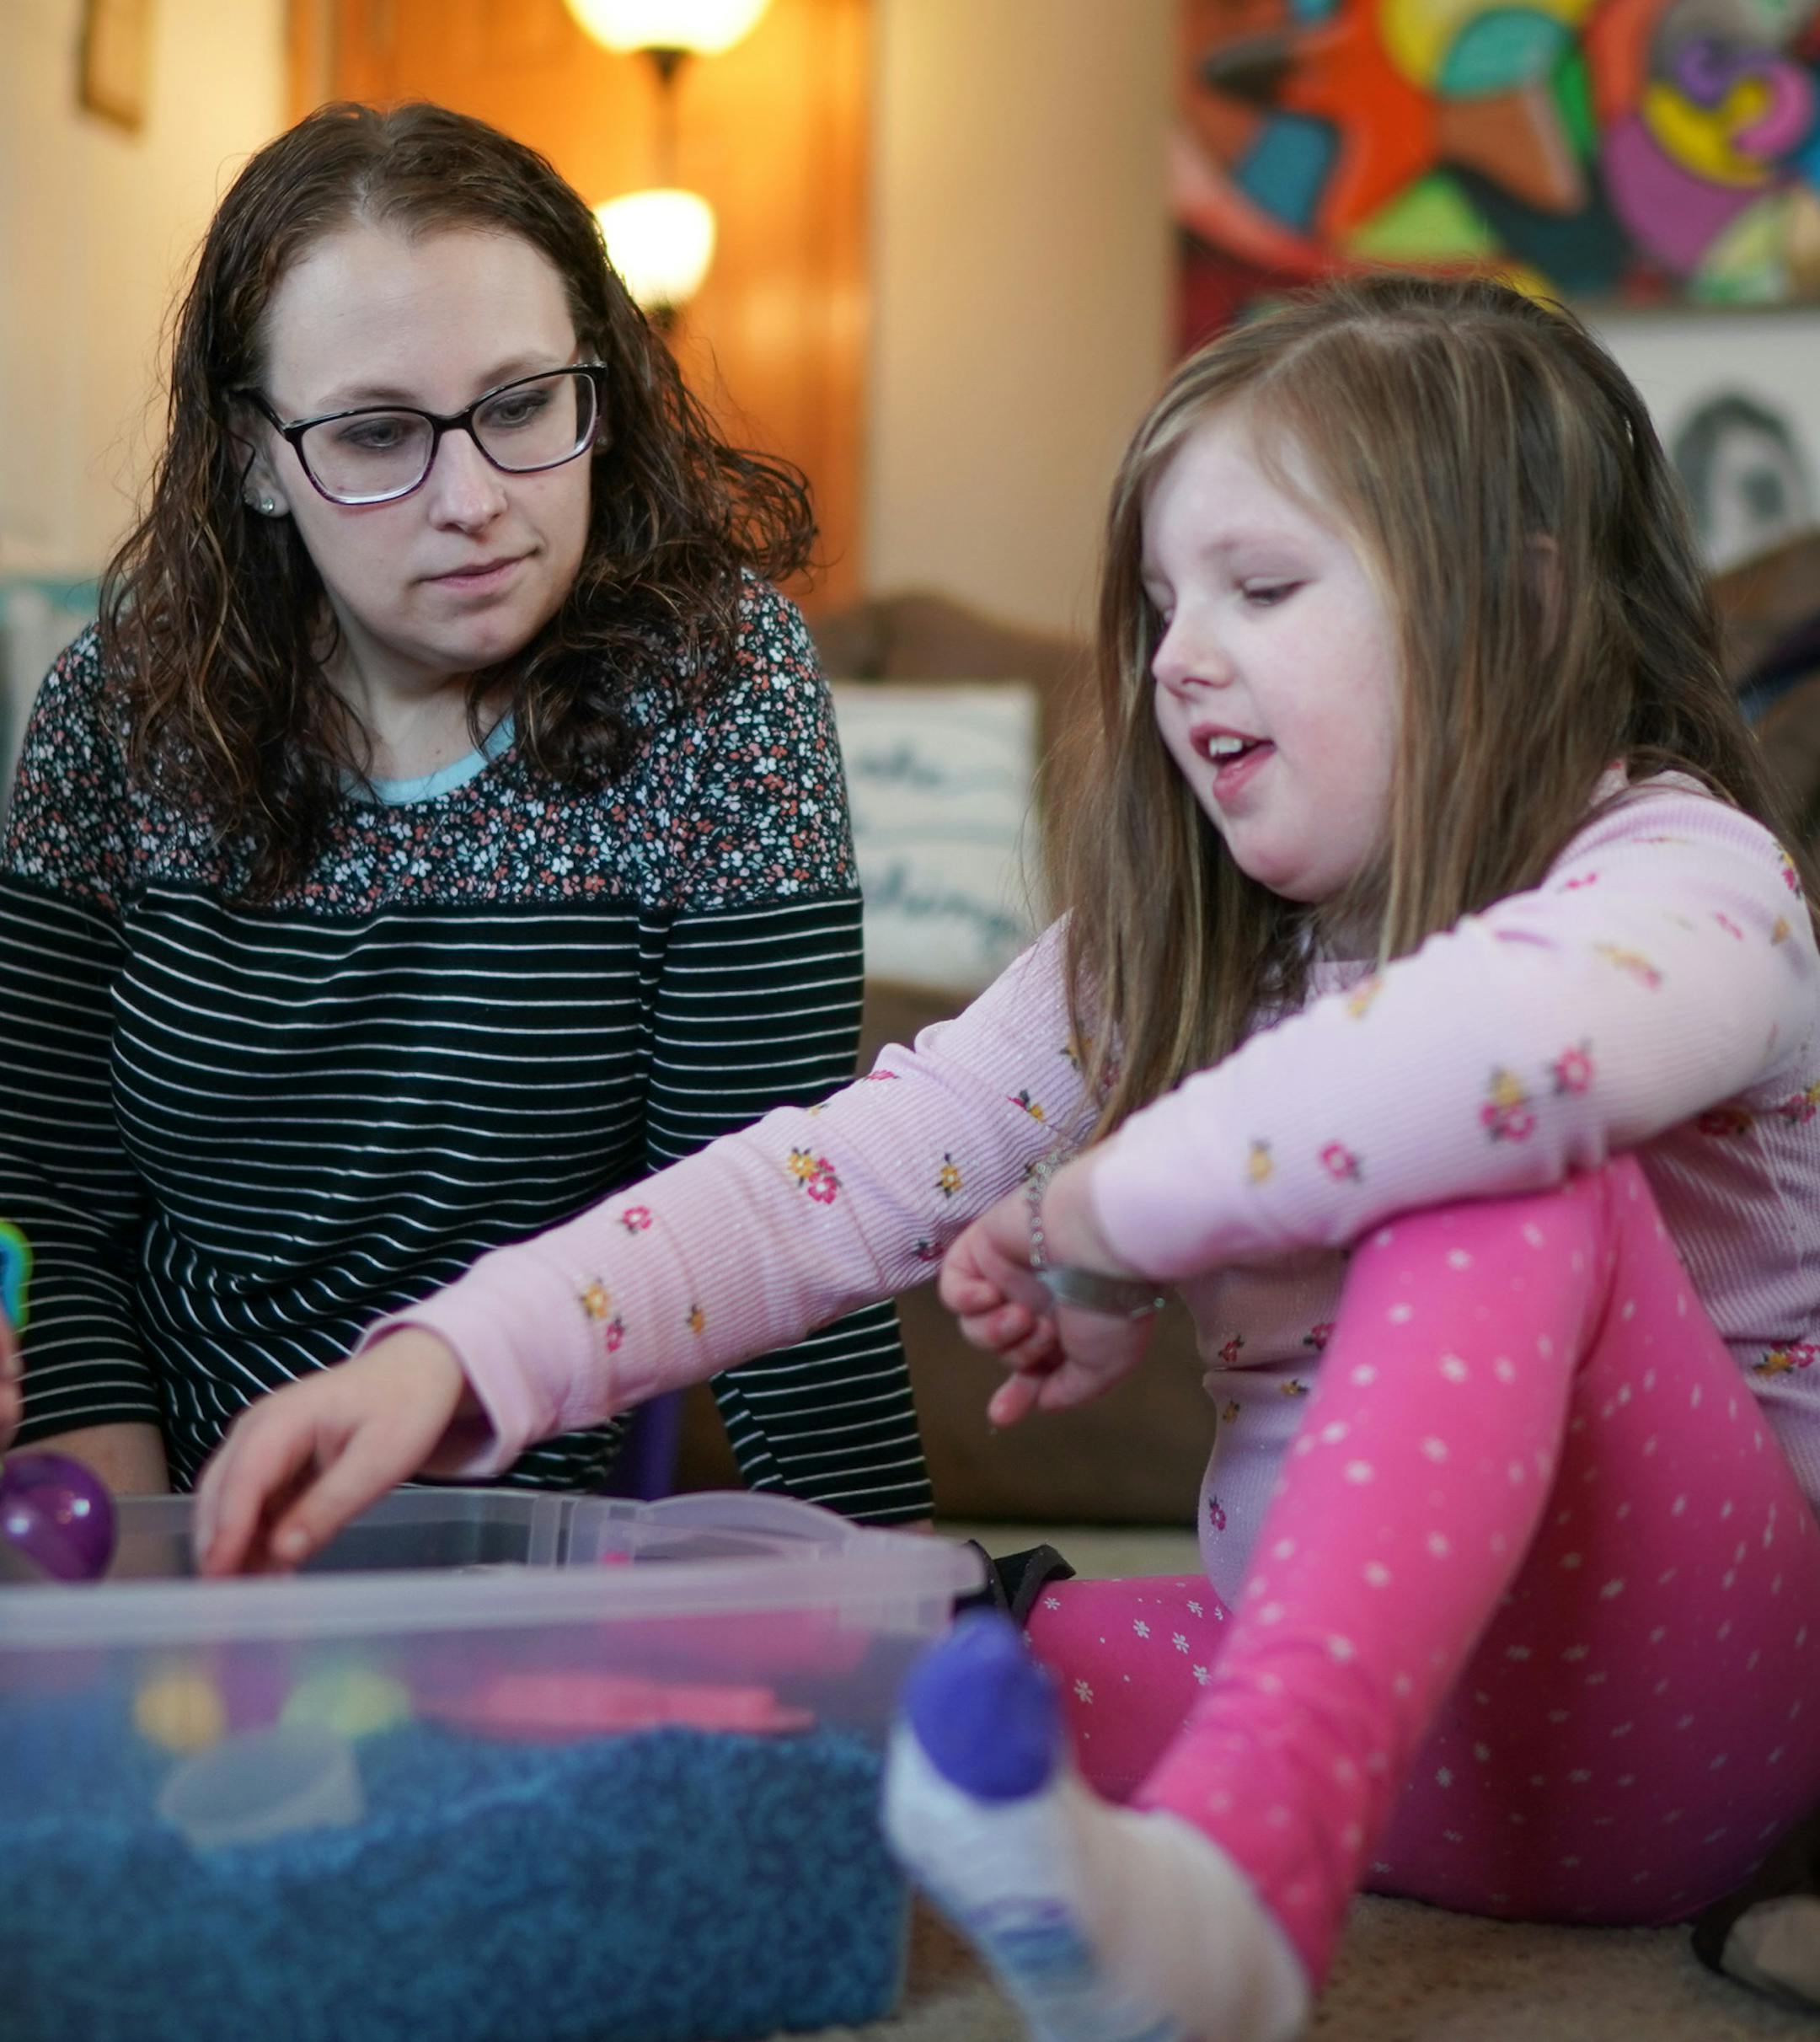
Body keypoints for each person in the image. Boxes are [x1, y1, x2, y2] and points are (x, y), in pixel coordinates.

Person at [194, 273, 1820, 2039]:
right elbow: (830, 1179)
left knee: (1507, 1166)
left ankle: (1231, 1908)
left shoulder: (1686, 880)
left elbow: (1502, 1061)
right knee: (896, 1671)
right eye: (1160, 603)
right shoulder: (1162, 952)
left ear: (1521, 606)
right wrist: (454, 1359)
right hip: (1348, 1717)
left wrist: (1113, 1213)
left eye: (1262, 590)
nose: (1182, 655)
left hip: (1699, 1733)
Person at [0, 99, 929, 1529]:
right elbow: (50, 1199)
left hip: (522, 1541)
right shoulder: (118, 708)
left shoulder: (719, 687)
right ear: (254, 455)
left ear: (597, 384)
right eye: (378, 435)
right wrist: (128, 1565)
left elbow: (772, 1206)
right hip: (152, 1510)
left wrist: (905, 1623)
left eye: (519, 408)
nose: (477, 499)